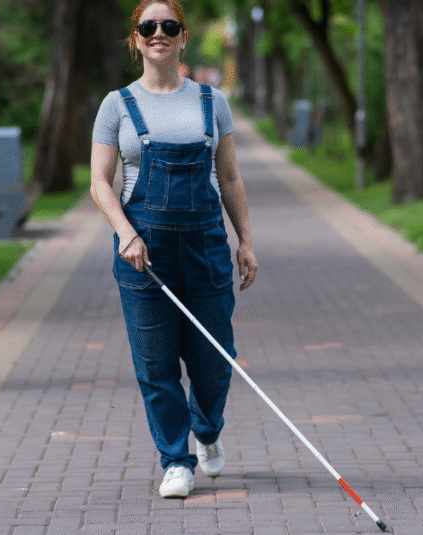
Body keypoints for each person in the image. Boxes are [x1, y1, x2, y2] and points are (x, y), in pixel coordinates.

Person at [90, 0, 258, 499]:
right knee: (156, 364)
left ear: (183, 37)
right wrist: (125, 231)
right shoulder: (116, 105)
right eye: (148, 26)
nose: (158, 33)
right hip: (143, 251)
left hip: (206, 248)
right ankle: (175, 460)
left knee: (214, 360)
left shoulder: (212, 101)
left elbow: (228, 176)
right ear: (136, 39)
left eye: (169, 26)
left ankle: (206, 429)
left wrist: (245, 240)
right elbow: (100, 182)